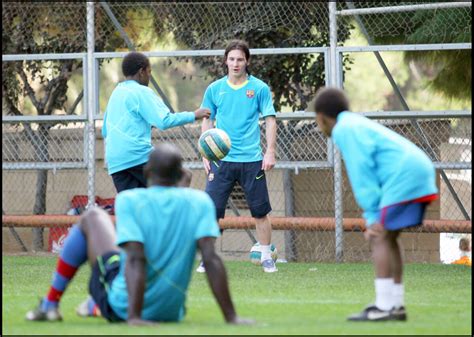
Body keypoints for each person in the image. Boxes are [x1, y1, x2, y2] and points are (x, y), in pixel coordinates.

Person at [26, 143, 253, 326]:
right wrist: (231, 317)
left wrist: (134, 317)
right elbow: (211, 259)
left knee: (92, 217)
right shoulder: (200, 202)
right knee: (116, 258)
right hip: (171, 312)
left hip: (125, 306)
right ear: (181, 174)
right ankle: (93, 306)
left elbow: (135, 258)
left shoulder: (131, 200)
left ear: (146, 171)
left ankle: (50, 305)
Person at [313, 87, 438, 321]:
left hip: (406, 176)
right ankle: (395, 305)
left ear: (321, 117)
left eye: (317, 121)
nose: (319, 126)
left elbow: (362, 173)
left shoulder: (344, 129)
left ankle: (382, 307)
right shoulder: (353, 123)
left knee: (379, 235)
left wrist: (372, 216)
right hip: (419, 170)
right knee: (389, 237)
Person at [197, 40, 278, 273]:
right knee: (212, 211)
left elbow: (270, 119)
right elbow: (207, 119)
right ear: (225, 61)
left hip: (251, 160)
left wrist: (270, 151)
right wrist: (205, 151)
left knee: (261, 211)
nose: (235, 63)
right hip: (221, 160)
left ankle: (266, 256)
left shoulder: (259, 88)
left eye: (240, 59)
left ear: (247, 61)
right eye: (231, 59)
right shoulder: (215, 89)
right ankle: (208, 258)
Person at [102, 51, 210, 193]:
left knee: (138, 207)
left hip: (115, 160)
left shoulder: (116, 92)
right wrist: (194, 115)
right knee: (184, 175)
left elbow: (105, 130)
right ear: (141, 72)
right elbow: (164, 121)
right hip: (137, 155)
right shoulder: (141, 91)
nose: (149, 76)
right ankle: (171, 213)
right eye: (149, 71)